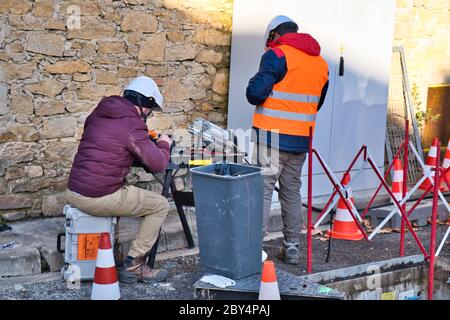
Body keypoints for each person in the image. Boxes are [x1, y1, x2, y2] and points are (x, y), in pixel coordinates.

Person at [65, 76, 172, 282]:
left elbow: (109, 148)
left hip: (74, 190)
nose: (149, 114)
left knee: (127, 191)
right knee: (159, 205)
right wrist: (164, 143)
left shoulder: (98, 113)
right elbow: (158, 164)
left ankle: (115, 255)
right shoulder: (132, 124)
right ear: (144, 104)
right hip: (97, 196)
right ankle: (134, 264)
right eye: (150, 109)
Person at [246, 16, 329, 264]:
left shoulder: (278, 55)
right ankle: (292, 247)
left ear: (274, 34)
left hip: (271, 137)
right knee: (292, 192)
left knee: (262, 191)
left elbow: (255, 93)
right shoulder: (321, 63)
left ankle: (253, 248)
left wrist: (254, 83)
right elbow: (317, 103)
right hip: (301, 139)